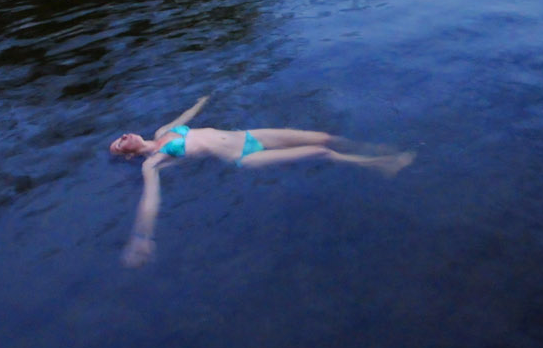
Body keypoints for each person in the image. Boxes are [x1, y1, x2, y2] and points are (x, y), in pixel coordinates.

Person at [110, 96, 415, 266]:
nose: (124, 135)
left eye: (122, 135)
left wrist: (203, 100)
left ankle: (374, 149)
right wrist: (142, 236)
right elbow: (150, 199)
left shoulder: (163, 131)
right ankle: (385, 164)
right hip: (243, 157)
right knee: (321, 152)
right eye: (120, 143)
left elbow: (185, 115)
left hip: (249, 136)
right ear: (128, 155)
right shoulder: (153, 162)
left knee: (324, 137)